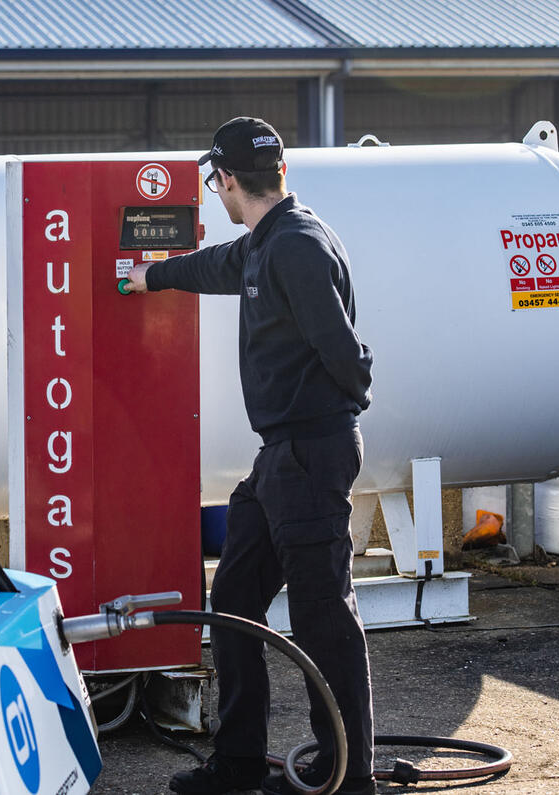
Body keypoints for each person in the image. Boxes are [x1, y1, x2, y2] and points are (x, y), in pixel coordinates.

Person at [122, 117, 375, 795]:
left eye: (214, 182)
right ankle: (236, 763)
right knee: (233, 598)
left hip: (310, 452)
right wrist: (151, 275)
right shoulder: (266, 242)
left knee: (323, 613)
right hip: (279, 459)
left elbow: (345, 352)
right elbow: (217, 264)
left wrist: (342, 404)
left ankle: (349, 774)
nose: (215, 193)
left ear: (228, 180)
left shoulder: (295, 245)